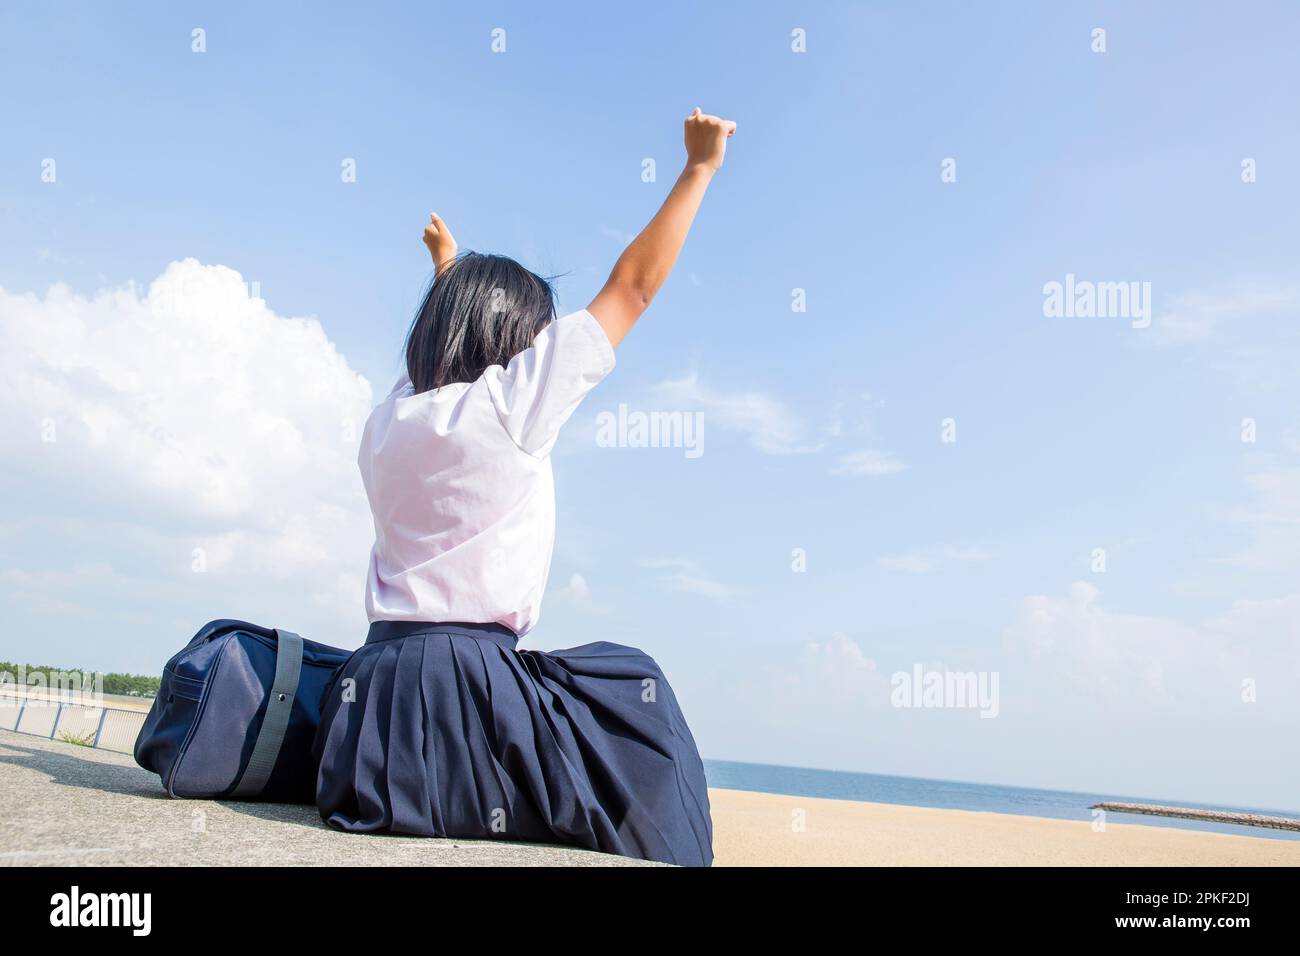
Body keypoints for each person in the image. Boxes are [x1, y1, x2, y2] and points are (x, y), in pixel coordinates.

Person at [313, 108, 736, 866]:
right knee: (633, 688)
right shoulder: (512, 407)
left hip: (373, 702)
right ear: (514, 348)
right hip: (468, 688)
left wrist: (448, 269)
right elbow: (632, 289)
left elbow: (444, 348)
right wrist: (698, 169)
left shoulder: (387, 421)